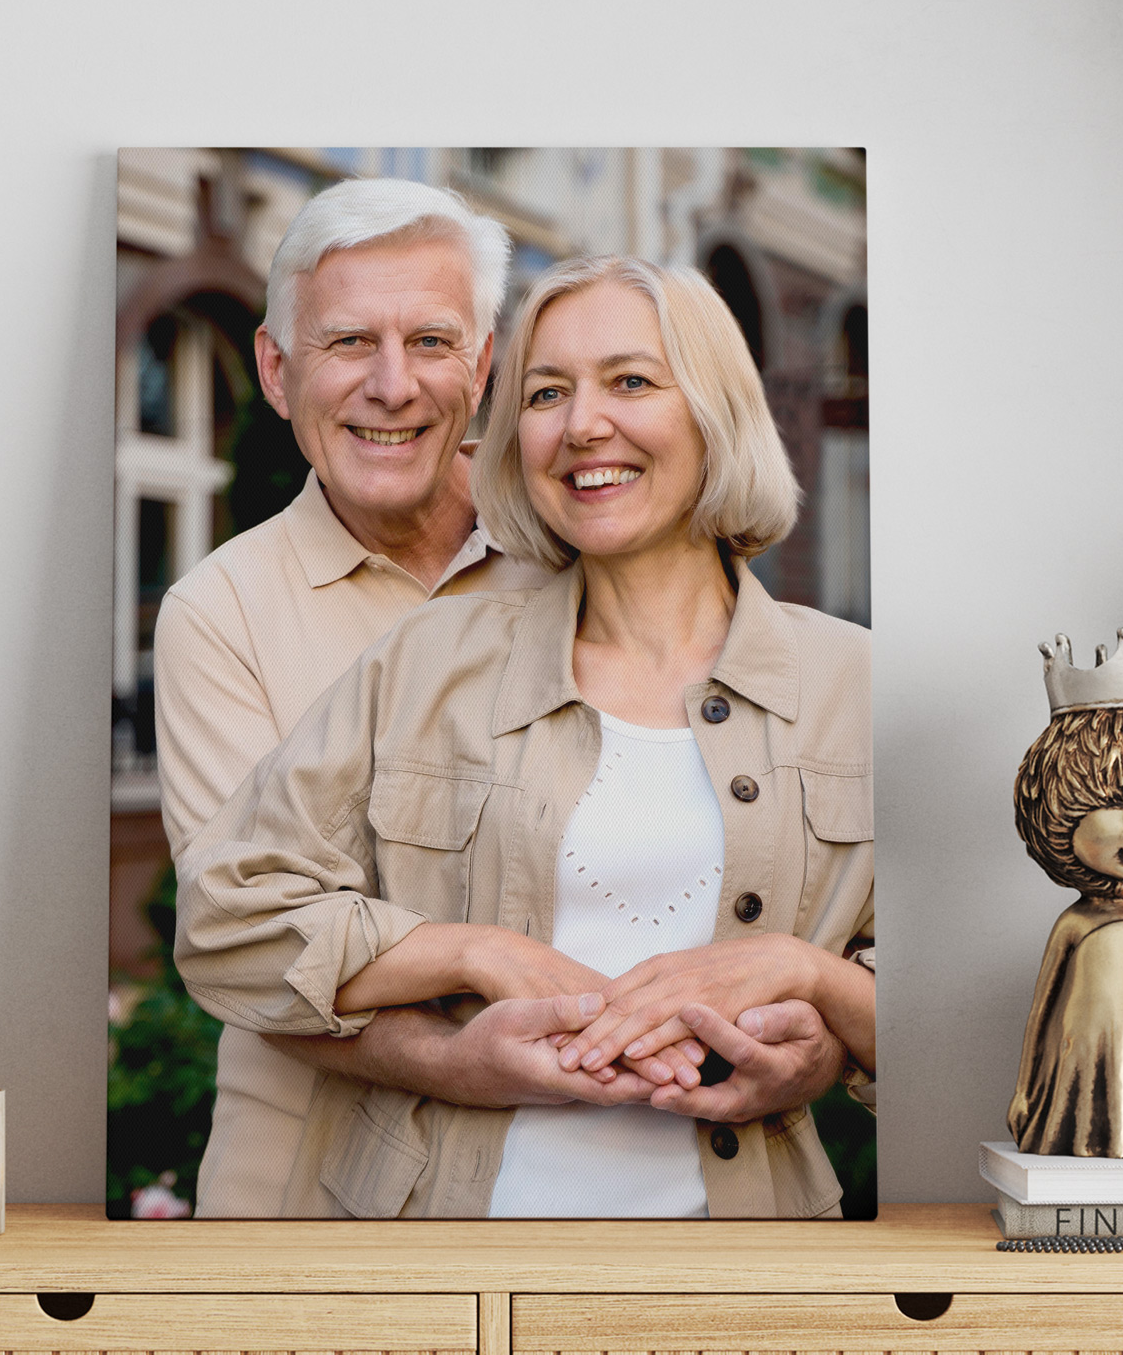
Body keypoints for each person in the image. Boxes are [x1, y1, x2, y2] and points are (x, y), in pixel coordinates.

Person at [156, 182, 848, 1216]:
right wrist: (470, 1018)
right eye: (349, 342)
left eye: (432, 342)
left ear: (482, 368)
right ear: (276, 369)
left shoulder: (594, 525)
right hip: (312, 1175)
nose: (392, 386)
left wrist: (818, 1033)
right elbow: (246, 934)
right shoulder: (221, 614)